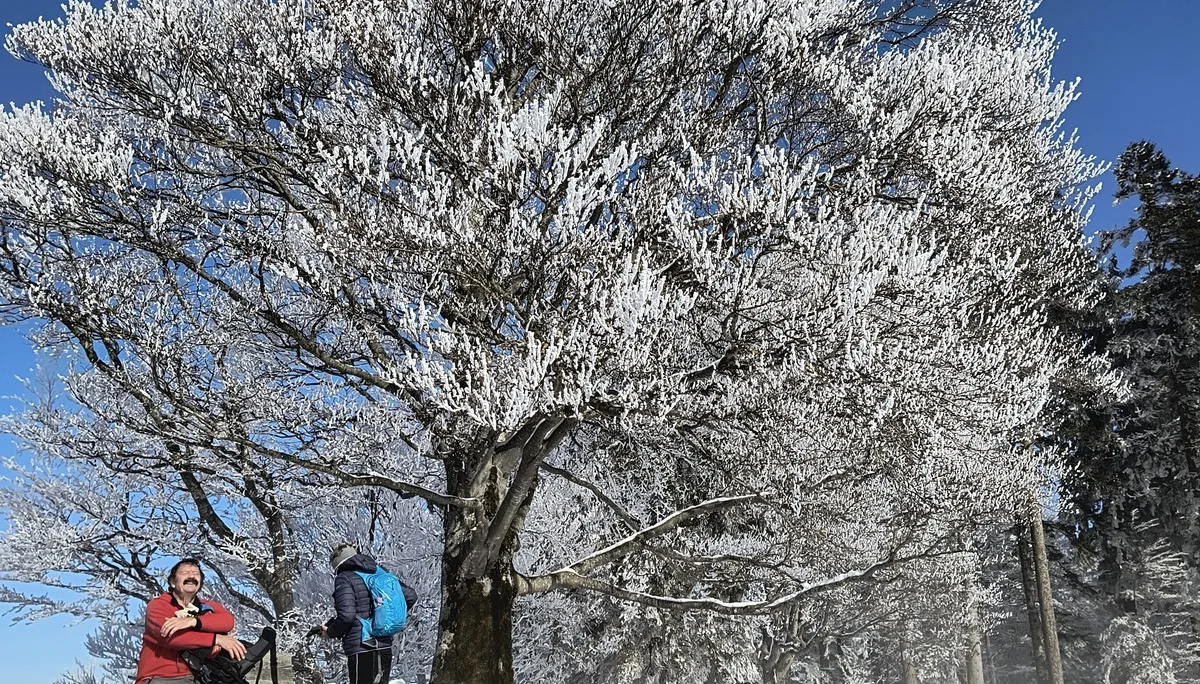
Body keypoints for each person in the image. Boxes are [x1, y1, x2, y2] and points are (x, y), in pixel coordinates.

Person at [135, 557, 247, 684]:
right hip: (161, 677)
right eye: (184, 573)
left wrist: (193, 621)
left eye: (195, 574)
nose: (191, 576)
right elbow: (172, 637)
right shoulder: (158, 606)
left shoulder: (208, 606)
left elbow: (227, 621)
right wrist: (216, 639)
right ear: (172, 582)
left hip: (198, 677)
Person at [316, 544, 405, 684]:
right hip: (384, 645)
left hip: (362, 647)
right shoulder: (379, 572)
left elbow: (347, 616)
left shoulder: (344, 578)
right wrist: (384, 618)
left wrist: (330, 631)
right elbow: (410, 596)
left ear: (337, 566)